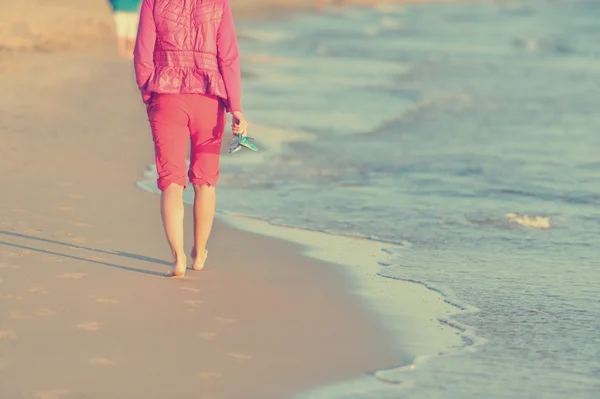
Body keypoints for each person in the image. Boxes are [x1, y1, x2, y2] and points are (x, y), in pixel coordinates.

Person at [134, 0, 248, 278]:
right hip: (208, 98)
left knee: (171, 181)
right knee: (205, 181)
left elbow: (142, 54)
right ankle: (199, 252)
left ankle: (178, 258)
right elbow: (229, 57)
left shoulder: (153, 1)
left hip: (167, 94)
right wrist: (236, 107)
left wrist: (150, 95)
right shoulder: (219, 3)